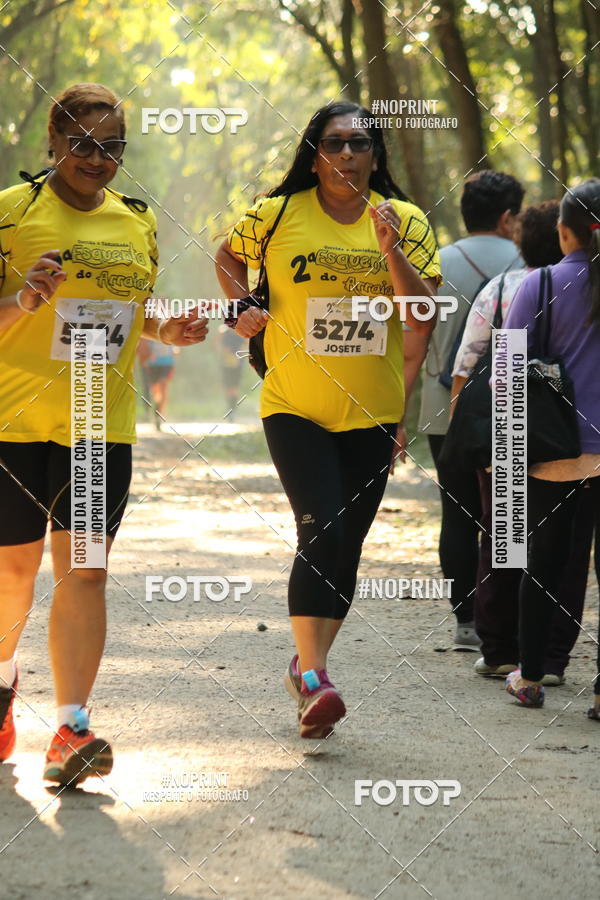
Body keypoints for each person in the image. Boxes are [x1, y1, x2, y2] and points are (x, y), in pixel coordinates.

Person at [0, 83, 208, 784]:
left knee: (85, 570)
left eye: (113, 145)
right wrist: (23, 300)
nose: (98, 157)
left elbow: (135, 312)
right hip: (14, 424)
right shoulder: (11, 213)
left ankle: (71, 729)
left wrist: (166, 328)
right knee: (12, 575)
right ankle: (2, 682)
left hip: (99, 423)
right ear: (54, 142)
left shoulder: (136, 223)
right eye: (84, 143)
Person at [215, 101, 441, 738]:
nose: (347, 154)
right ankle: (314, 679)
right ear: (313, 154)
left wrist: (391, 249)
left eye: (360, 144)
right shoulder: (277, 214)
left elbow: (422, 314)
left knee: (348, 549)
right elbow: (226, 256)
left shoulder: (410, 220)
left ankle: (308, 666)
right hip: (295, 404)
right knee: (323, 530)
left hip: (373, 412)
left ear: (377, 156)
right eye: (334, 143)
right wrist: (243, 303)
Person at [449, 201, 594, 683]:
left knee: (511, 545)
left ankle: (505, 653)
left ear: (564, 235)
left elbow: (482, 367)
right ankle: (553, 658)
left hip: (533, 442)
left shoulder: (520, 286)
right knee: (573, 557)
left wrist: (495, 446)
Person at [499, 179, 600, 713]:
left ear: (564, 233)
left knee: (545, 561)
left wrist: (510, 449)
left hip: (557, 449)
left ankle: (531, 677)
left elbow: (507, 372)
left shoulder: (538, 287)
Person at [414, 170, 524, 649]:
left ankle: (464, 623)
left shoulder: (433, 264)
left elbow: (415, 338)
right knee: (508, 514)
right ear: (506, 217)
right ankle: (503, 620)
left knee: (455, 512)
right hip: (514, 406)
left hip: (443, 407)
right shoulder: (532, 262)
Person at [137, 339, 177, 431]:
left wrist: (175, 353)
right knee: (155, 391)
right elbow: (143, 342)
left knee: (163, 388)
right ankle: (155, 411)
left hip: (167, 362)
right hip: (152, 363)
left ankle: (159, 416)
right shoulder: (150, 325)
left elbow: (174, 342)